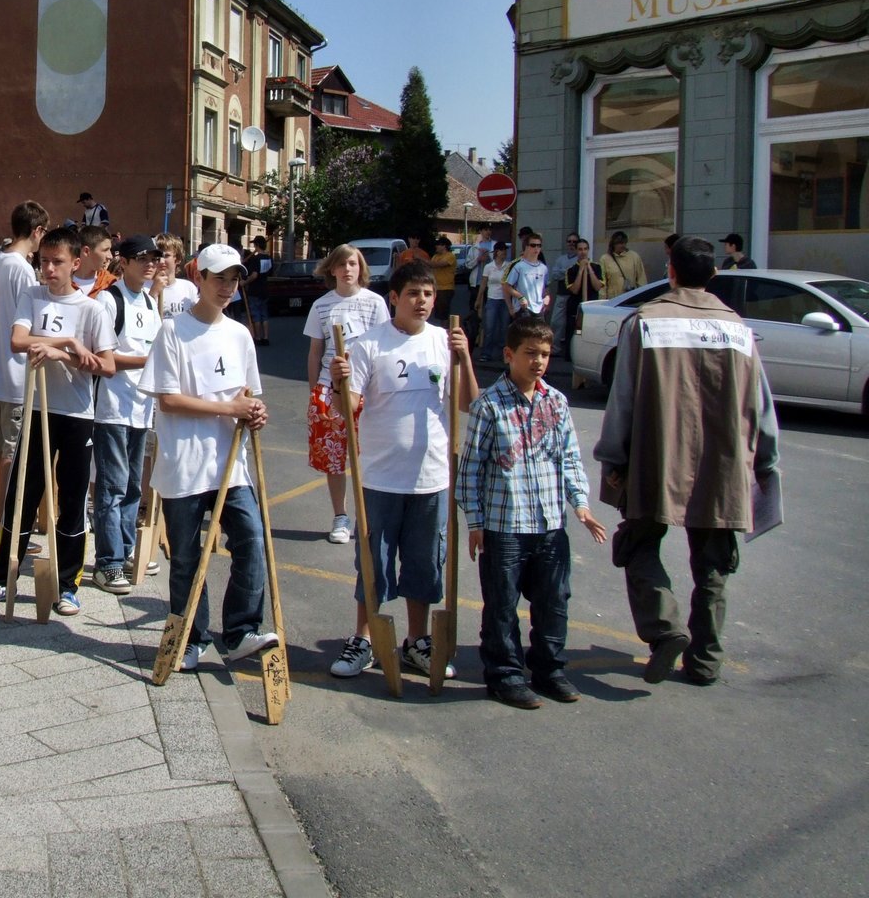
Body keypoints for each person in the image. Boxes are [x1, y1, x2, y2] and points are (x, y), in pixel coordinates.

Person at [594, 236, 780, 687]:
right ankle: (705, 659)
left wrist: (612, 456)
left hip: (656, 457)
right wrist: (765, 463)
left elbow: (622, 399)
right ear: (713, 274)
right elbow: (762, 407)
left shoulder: (645, 322)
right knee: (714, 562)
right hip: (724, 461)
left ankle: (665, 628)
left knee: (637, 544)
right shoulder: (738, 329)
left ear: (670, 272)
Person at [327, 260, 478, 681]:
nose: (421, 301)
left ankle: (416, 640)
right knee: (372, 563)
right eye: (413, 294)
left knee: (424, 563)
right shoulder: (369, 345)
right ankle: (364, 638)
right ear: (394, 298)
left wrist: (465, 359)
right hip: (380, 477)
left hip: (431, 478)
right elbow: (347, 408)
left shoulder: (444, 341)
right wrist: (339, 382)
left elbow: (469, 403)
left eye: (428, 294)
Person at [139, 243, 278, 671]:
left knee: (252, 541)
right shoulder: (173, 331)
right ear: (199, 278)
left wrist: (254, 411)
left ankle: (240, 632)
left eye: (234, 279)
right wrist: (228, 408)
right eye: (219, 278)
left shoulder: (239, 334)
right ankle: (190, 637)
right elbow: (168, 400)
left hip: (231, 464)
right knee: (186, 559)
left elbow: (247, 396)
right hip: (185, 465)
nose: (228, 287)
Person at [457, 316, 607, 708]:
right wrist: (475, 522)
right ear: (509, 355)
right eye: (530, 353)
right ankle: (505, 675)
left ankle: (549, 670)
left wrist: (581, 505)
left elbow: (569, 459)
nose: (538, 361)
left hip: (549, 525)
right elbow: (470, 469)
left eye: (544, 354)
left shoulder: (556, 402)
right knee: (502, 606)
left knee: (554, 602)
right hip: (504, 526)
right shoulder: (489, 406)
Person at [0, 226, 115, 614]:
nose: (49, 269)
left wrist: (65, 355)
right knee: (22, 495)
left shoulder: (91, 309)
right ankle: (1, 578)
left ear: (76, 262)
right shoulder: (33, 295)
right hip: (37, 408)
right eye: (44, 261)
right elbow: (17, 341)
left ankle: (68, 584)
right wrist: (68, 343)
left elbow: (107, 365)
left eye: (57, 262)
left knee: (72, 499)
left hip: (76, 413)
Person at [303, 245, 388, 546]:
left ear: (360, 268)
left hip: (367, 390)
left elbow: (384, 347)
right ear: (332, 269)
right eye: (341, 264)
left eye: (352, 263)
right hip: (330, 389)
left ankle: (369, 515)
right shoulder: (321, 306)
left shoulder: (375, 303)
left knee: (369, 456)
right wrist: (315, 391)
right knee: (334, 459)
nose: (347, 269)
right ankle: (340, 516)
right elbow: (315, 351)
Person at [90, 236, 160, 594]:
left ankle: (126, 549)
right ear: (125, 262)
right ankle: (108, 562)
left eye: (154, 258)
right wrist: (149, 361)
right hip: (113, 407)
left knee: (133, 486)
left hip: (141, 408)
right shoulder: (108, 300)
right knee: (112, 487)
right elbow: (104, 358)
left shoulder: (149, 302)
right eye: (142, 258)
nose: (150, 264)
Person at [0, 201, 49, 534]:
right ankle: (2, 523)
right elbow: (28, 319)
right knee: (12, 451)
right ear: (37, 231)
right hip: (17, 372)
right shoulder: (21, 268)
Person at [563, 239, 604, 359]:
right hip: (575, 307)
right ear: (576, 251)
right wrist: (581, 270)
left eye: (585, 249)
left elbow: (597, 286)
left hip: (592, 307)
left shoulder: (597, 267)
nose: (583, 252)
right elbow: (574, 289)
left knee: (591, 332)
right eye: (580, 249)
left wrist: (589, 268)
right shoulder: (571, 270)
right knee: (574, 333)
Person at [502, 232, 550, 319]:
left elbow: (546, 287)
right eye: (533, 245)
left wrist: (547, 297)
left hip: (539, 309)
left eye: (539, 245)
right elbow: (506, 286)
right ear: (527, 247)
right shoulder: (519, 266)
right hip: (523, 308)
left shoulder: (543, 268)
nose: (536, 248)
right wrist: (520, 297)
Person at [476, 242, 511, 362]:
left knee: (504, 328)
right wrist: (479, 299)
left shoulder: (508, 266)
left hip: (505, 300)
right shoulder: (489, 267)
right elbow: (483, 284)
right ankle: (486, 353)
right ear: (496, 252)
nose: (504, 252)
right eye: (501, 250)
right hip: (492, 299)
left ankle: (504, 354)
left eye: (505, 250)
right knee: (489, 328)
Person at [153, 233, 199, 320]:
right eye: (157, 256)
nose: (161, 261)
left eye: (166, 256)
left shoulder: (188, 288)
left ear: (177, 259)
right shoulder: (144, 288)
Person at [549, 234, 581, 351]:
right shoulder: (560, 259)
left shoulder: (580, 259)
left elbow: (577, 275)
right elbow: (554, 275)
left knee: (574, 323)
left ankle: (572, 349)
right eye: (569, 241)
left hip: (575, 296)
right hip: (562, 294)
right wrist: (569, 272)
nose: (571, 244)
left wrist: (564, 273)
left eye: (574, 242)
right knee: (556, 321)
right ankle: (555, 347)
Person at [243, 235, 275, 344]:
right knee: (264, 314)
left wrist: (245, 282)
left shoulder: (256, 258)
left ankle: (257, 337)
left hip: (255, 290)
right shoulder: (269, 258)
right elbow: (270, 273)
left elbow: (254, 275)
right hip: (265, 288)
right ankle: (265, 337)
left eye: (254, 245)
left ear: (257, 245)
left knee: (256, 314)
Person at [599, 231, 648, 298]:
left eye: (624, 243)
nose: (622, 245)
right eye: (620, 243)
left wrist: (643, 296)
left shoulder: (634, 256)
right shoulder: (605, 259)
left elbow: (641, 279)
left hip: (630, 297)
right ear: (613, 244)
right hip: (613, 298)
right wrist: (603, 299)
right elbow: (603, 282)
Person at [73, 225, 115, 295]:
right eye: (105, 250)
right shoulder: (62, 281)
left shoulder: (111, 284)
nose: (110, 256)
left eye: (110, 250)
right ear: (86, 251)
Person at [428, 236, 457, 326]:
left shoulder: (450, 256)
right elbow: (431, 266)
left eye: (438, 245)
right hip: (436, 287)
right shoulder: (435, 256)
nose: (436, 247)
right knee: (438, 313)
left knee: (444, 312)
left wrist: (422, 260)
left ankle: (445, 330)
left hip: (446, 288)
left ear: (444, 246)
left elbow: (438, 264)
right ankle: (441, 327)